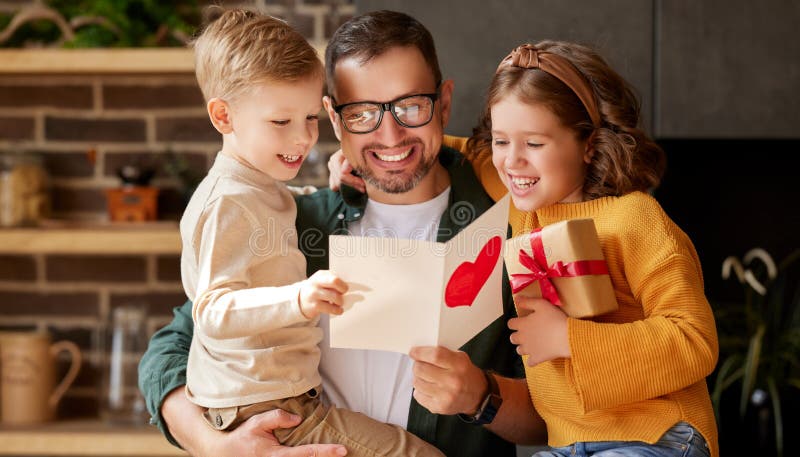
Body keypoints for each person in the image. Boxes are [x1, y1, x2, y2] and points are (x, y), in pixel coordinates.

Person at [138, 10, 540, 457]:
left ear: (443, 104)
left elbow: (565, 414)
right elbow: (172, 346)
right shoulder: (296, 222)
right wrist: (215, 444)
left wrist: (482, 396)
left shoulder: (510, 227)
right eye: (363, 113)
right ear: (333, 116)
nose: (390, 135)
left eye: (410, 107)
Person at [179, 8, 444, 457]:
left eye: (308, 119)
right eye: (281, 123)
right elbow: (209, 313)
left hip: (281, 395)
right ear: (223, 117)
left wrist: (325, 189)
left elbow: (272, 214)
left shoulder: (263, 189)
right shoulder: (227, 201)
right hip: (266, 406)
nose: (302, 138)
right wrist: (297, 299)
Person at [470, 41, 719, 457]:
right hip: (567, 445)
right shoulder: (520, 202)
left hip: (659, 434)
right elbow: (452, 151)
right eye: (500, 141)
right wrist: (356, 161)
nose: (512, 162)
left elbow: (694, 340)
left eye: (534, 144)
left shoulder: (634, 219)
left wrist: (567, 337)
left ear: (588, 144)